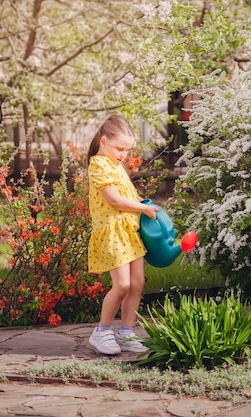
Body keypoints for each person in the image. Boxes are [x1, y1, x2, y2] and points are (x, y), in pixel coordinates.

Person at [86, 114, 159, 355]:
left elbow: (130, 196)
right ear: (104, 140)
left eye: (126, 150)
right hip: (112, 233)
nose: (123, 155)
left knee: (137, 283)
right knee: (123, 284)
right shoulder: (98, 164)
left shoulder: (116, 165)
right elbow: (115, 200)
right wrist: (143, 208)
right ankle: (102, 331)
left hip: (129, 232)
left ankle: (126, 332)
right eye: (119, 148)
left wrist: (145, 206)